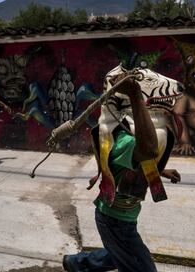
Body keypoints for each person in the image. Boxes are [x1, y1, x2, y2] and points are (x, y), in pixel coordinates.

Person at [62, 67, 182, 272]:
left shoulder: (130, 136)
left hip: (122, 217)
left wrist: (160, 171)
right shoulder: (126, 140)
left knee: (118, 253)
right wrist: (136, 95)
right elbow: (149, 149)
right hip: (115, 220)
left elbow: (138, 159)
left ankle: (76, 264)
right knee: (138, 264)